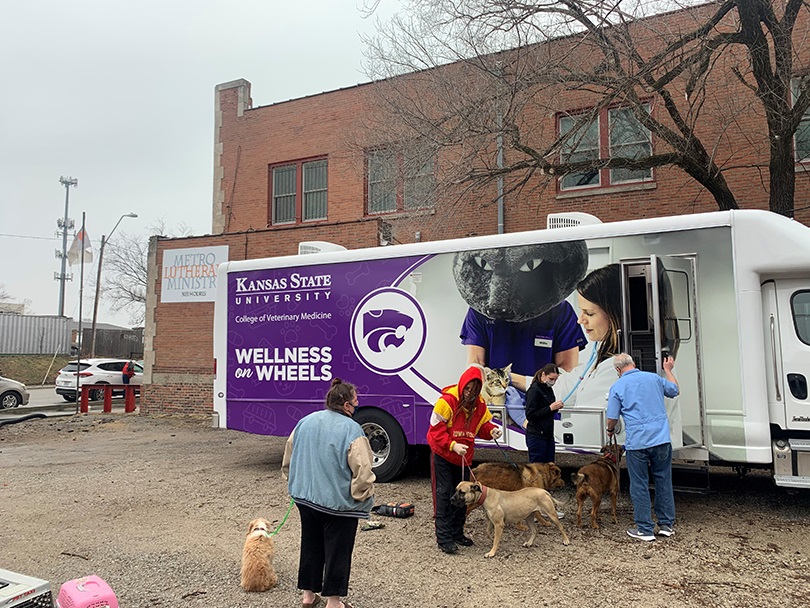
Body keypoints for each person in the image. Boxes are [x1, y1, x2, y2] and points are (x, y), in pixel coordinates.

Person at [281, 378, 375, 608]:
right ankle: (334, 601)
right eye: (355, 402)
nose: (357, 405)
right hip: (337, 504)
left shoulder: (305, 421)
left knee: (311, 544)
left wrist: (294, 482)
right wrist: (361, 496)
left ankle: (308, 595)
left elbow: (289, 457)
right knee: (338, 551)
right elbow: (362, 470)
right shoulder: (353, 429)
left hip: (305, 498)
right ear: (345, 405)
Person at [427, 364, 502, 554]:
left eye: (474, 390)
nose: (470, 393)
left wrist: (492, 430)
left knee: (464, 497)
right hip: (443, 455)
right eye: (468, 388)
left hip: (463, 459)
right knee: (444, 494)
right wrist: (452, 445)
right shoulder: (446, 402)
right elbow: (435, 433)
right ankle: (444, 538)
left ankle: (457, 533)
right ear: (462, 386)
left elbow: (483, 426)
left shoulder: (480, 405)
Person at [607, 353, 679, 542]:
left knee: (639, 484)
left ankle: (645, 529)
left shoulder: (617, 386)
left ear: (617, 370)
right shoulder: (654, 378)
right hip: (661, 439)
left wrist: (609, 430)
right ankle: (666, 525)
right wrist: (668, 371)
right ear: (634, 364)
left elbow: (612, 416)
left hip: (637, 443)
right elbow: (674, 390)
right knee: (663, 480)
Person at [523, 363, 563, 464]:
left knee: (550, 468)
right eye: (551, 379)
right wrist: (550, 408)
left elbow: (548, 411)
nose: (553, 382)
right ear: (543, 375)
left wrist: (556, 408)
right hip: (536, 435)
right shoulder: (534, 390)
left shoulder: (548, 389)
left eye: (555, 380)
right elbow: (530, 415)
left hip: (548, 434)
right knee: (538, 469)